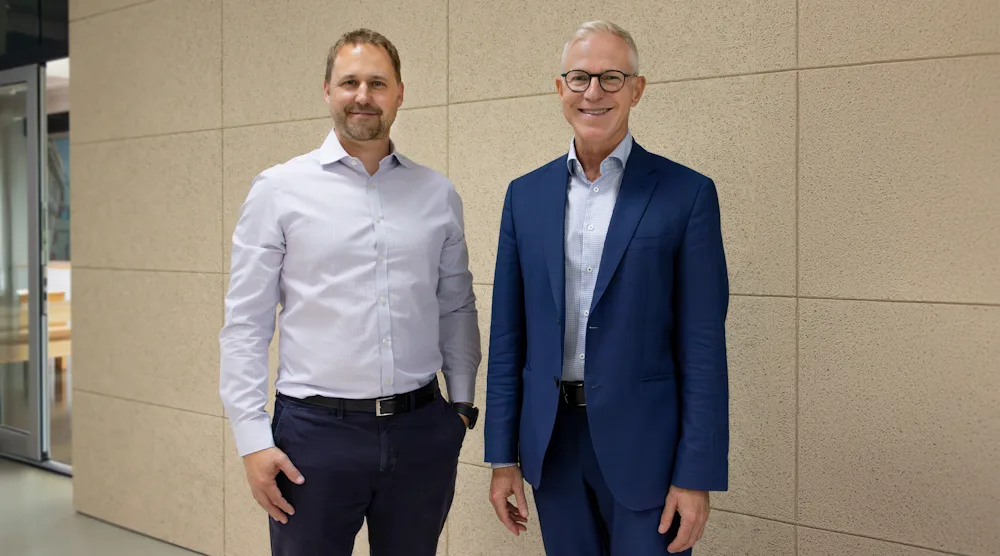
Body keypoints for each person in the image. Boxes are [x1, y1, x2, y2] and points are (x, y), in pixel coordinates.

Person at [219, 28, 481, 556]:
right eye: (350, 82)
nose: (363, 95)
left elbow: (455, 303)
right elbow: (246, 323)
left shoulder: (436, 193)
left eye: (377, 83)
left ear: (399, 93)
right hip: (314, 438)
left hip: (420, 431)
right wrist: (252, 440)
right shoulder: (279, 189)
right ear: (327, 91)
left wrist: (461, 407)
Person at [484, 20, 730, 555]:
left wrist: (696, 474)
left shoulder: (686, 195)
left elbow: (704, 345)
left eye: (611, 78)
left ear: (636, 90)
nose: (593, 92)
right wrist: (503, 459)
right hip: (552, 446)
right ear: (559, 88)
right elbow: (508, 336)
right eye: (579, 78)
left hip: (650, 452)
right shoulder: (524, 197)